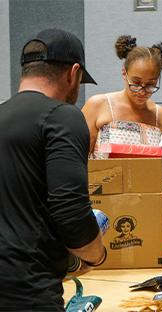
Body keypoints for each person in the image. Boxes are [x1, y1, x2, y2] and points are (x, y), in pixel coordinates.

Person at [0, 28, 106, 310]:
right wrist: (96, 255)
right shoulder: (62, 117)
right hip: (28, 292)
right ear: (73, 73)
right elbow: (70, 211)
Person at [82, 35, 162, 257]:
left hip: (151, 204)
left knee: (156, 253)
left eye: (150, 85)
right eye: (135, 83)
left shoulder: (160, 116)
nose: (141, 91)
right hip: (104, 201)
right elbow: (78, 158)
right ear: (123, 73)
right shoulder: (99, 105)